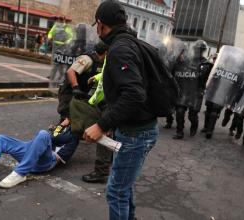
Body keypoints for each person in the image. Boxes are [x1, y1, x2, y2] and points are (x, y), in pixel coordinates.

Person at [84, 1, 159, 219]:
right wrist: (113, 122)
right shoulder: (130, 43)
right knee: (124, 186)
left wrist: (102, 124)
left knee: (116, 191)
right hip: (139, 129)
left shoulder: (120, 49)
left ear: (100, 24)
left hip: (136, 134)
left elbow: (134, 94)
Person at [0, 119, 80, 188]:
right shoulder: (61, 127)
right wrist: (60, 126)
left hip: (48, 160)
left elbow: (56, 145)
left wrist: (59, 128)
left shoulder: (74, 136)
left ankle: (20, 173)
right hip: (32, 150)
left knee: (43, 134)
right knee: (1, 139)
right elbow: (53, 135)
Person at [172, 40, 211, 139]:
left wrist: (191, 69)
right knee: (180, 111)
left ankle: (194, 125)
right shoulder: (187, 59)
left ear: (203, 50)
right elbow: (176, 68)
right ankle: (179, 132)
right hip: (185, 89)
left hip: (196, 91)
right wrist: (178, 59)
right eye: (196, 49)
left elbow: (202, 76)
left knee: (192, 115)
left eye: (200, 49)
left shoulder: (206, 63)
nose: (198, 51)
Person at [47, 16, 73, 85]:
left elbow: (71, 36)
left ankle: (53, 76)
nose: (60, 21)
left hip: (63, 47)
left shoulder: (66, 27)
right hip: (55, 46)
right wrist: (49, 37)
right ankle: (59, 75)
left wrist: (67, 42)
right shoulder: (56, 26)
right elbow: (50, 33)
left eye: (61, 20)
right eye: (59, 19)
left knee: (58, 62)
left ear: (64, 20)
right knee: (56, 62)